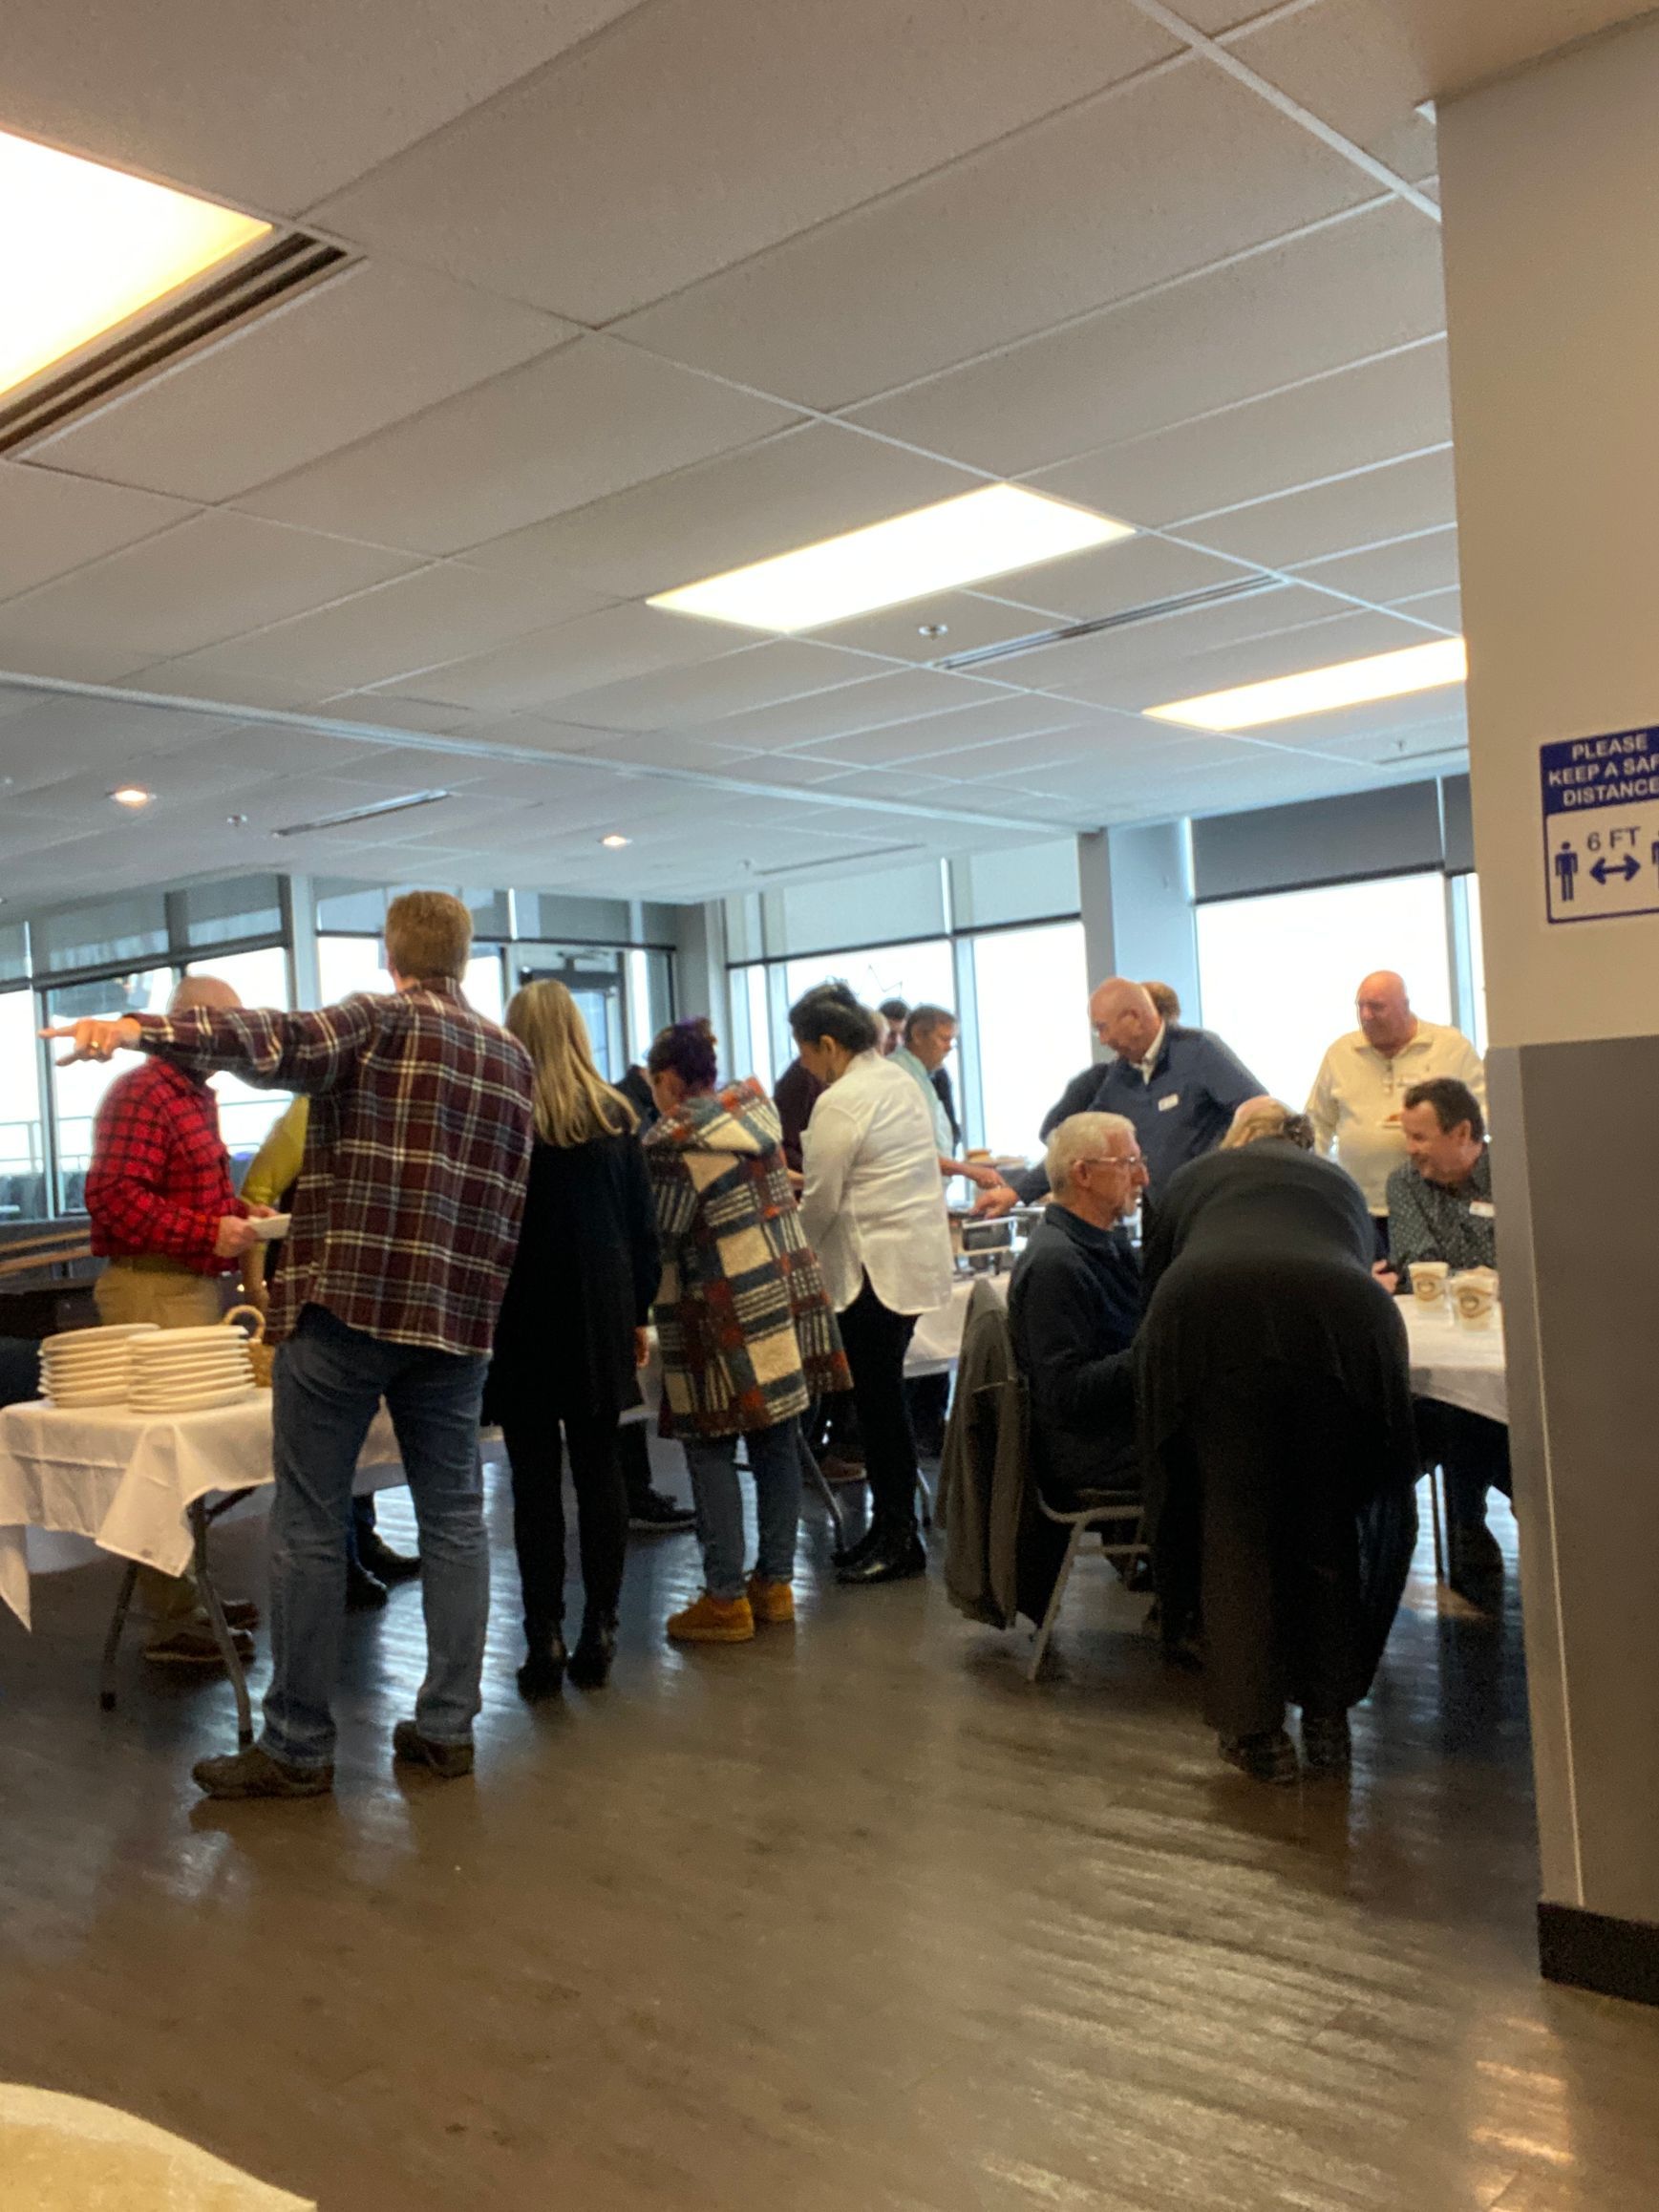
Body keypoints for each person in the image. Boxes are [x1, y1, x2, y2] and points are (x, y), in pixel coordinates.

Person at [48, 891, 536, 1800]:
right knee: (455, 1522)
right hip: (457, 1322)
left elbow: (269, 1039)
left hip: (349, 1311)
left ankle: (299, 1746)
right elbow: (511, 1194)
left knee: (308, 1521)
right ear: (464, 959)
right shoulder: (510, 1057)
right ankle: (446, 1729)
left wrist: (139, 1028)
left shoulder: (379, 1021)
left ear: (392, 955)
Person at [1138, 1099, 1418, 1784]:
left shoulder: (1194, 1178)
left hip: (1209, 1312)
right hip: (1343, 1319)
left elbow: (1156, 1281)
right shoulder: (1337, 1181)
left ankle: (1255, 1733)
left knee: (1236, 1525)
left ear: (1237, 1140)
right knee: (1325, 1518)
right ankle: (1328, 1719)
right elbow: (1359, 1259)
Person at [643, 1019, 848, 1643]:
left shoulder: (672, 1142)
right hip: (779, 1296)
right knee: (776, 1441)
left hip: (715, 1309)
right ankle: (775, 1585)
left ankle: (725, 1598)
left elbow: (660, 1234)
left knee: (709, 1446)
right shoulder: (754, 1118)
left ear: (668, 1080)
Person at [83, 973, 266, 1667]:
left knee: (184, 1461)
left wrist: (241, 1217)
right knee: (163, 1459)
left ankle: (188, 1597)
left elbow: (191, 1195)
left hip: (183, 1287)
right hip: (151, 1291)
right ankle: (173, 1617)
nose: (235, 1041)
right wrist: (206, 1232)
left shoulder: (189, 1096)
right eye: (225, 1026)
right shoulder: (144, 1092)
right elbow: (112, 1196)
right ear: (189, 1024)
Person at [485, 982, 660, 1698]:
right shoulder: (616, 1118)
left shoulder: (499, 1117)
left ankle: (543, 1637)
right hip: (598, 1311)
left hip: (519, 1314)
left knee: (531, 1483)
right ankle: (602, 1627)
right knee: (599, 1469)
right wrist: (637, 1312)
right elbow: (642, 1232)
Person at [792, 983, 954, 1585]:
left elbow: (822, 1198)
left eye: (805, 1051)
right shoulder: (897, 1081)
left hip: (870, 1276)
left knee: (880, 1410)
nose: (804, 1065)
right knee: (884, 1407)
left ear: (828, 1044)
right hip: (906, 1266)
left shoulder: (842, 1100)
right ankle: (890, 1529)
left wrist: (794, 1251)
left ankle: (898, 1538)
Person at [242, 1095, 421, 1610]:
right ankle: (342, 1558)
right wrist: (257, 1286)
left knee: (361, 1424)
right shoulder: (308, 1111)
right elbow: (257, 1194)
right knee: (331, 1427)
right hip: (313, 1285)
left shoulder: (386, 1104)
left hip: (360, 1284)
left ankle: (361, 1537)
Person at [1378, 1077, 1510, 1594]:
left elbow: (1526, 1256)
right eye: (1408, 1137)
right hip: (1444, 1336)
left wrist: (1466, 1275)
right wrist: (1483, 1276)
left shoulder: (1513, 1172)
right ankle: (1468, 1523)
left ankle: (1487, 1519)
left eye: (1420, 1137)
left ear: (1462, 1133)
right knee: (1454, 1403)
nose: (1411, 1150)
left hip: (1509, 1339)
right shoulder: (1405, 1183)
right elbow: (1417, 1264)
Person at [980, 977, 1261, 1211]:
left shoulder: (1199, 1050)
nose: (1103, 1040)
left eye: (1103, 1028)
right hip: (1161, 1214)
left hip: (1214, 1209)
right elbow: (1078, 1144)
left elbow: (1260, 1114)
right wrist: (1017, 1194)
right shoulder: (1120, 1076)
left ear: (1133, 1018)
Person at [1006, 1114, 1147, 1502]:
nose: (1143, 1178)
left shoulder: (1104, 1243)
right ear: (1083, 1173)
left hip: (1113, 1432)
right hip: (1091, 1452)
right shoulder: (1056, 1264)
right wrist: (1159, 1351)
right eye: (1129, 1164)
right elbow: (1065, 1393)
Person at [1306, 971, 1486, 1247]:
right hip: (1360, 1207)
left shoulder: (1450, 1047)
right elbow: (1317, 1124)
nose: (1366, 1015)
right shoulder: (1340, 1053)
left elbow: (1483, 1117)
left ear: (1405, 1006)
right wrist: (1318, 1185)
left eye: (1376, 1007)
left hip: (1437, 1204)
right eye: (1360, 1006)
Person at [888, 1006, 1004, 1190]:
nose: (949, 1048)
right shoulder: (898, 1076)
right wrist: (968, 1170)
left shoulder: (924, 1076)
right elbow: (910, 1150)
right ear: (918, 1035)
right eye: (944, 1039)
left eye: (952, 1041)